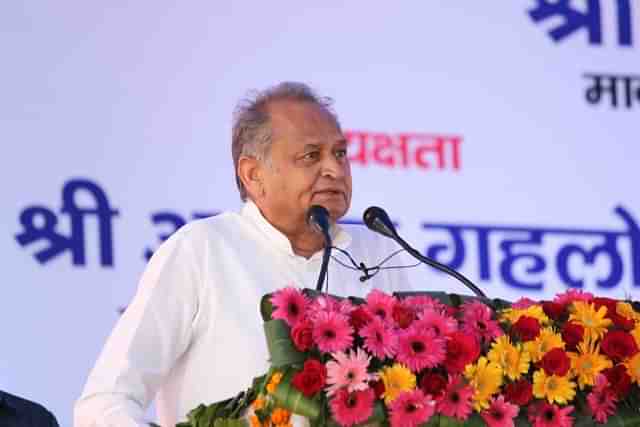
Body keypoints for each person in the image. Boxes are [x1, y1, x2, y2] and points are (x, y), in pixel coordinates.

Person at [74, 82, 416, 426]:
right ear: (253, 174)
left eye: (340, 153)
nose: (335, 170)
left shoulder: (378, 252)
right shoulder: (202, 251)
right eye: (311, 156)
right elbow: (105, 403)